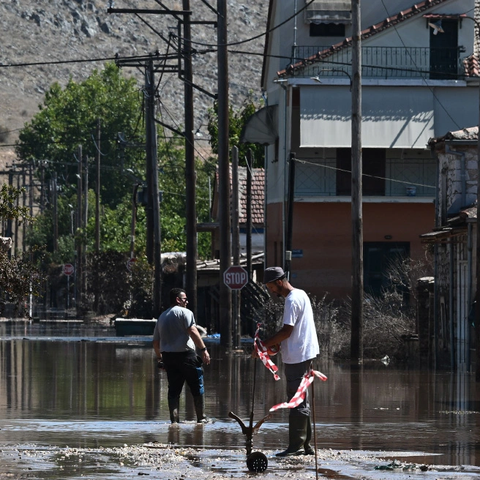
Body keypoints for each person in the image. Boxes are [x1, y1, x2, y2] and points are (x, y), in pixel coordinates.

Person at [261, 266, 319, 456]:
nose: (271, 291)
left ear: (279, 282)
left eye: (271, 287)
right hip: (304, 353)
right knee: (302, 399)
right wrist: (277, 346)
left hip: (297, 356)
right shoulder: (301, 294)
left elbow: (287, 331)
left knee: (296, 401)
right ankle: (306, 445)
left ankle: (295, 447)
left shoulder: (291, 300)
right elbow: (295, 332)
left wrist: (263, 345)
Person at [153, 288, 211, 424]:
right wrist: (203, 349)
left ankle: (174, 421)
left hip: (168, 357)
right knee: (197, 385)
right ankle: (201, 418)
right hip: (186, 356)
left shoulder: (162, 317)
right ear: (178, 300)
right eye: (185, 299)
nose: (187, 301)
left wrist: (160, 359)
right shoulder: (186, 312)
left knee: (173, 390)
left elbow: (156, 342)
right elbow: (193, 331)